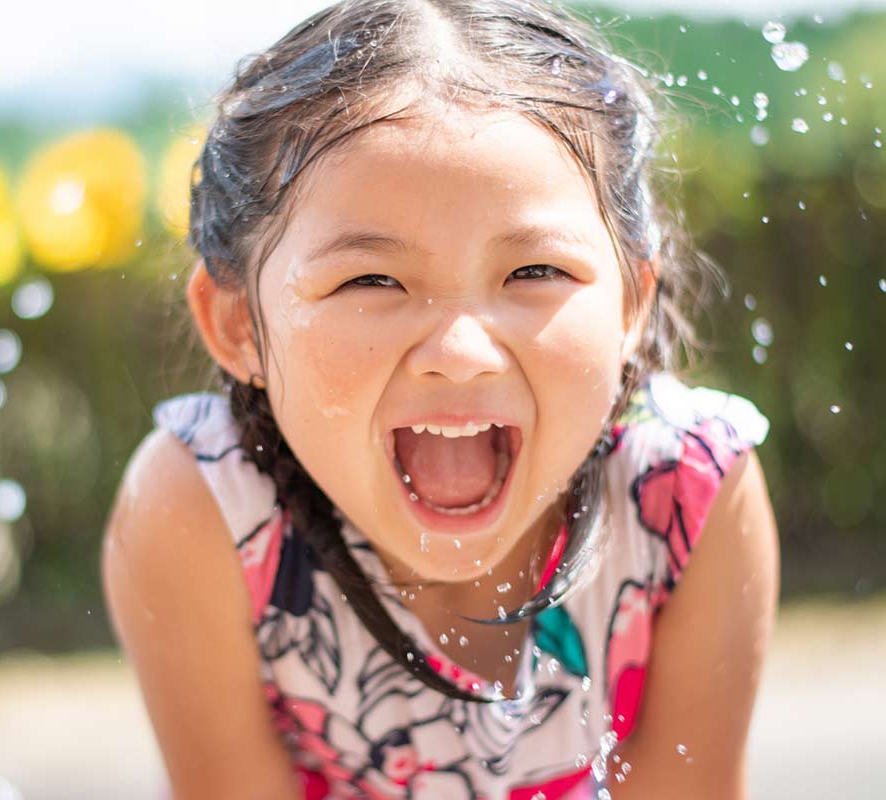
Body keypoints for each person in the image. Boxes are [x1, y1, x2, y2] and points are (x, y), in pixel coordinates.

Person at [103, 1, 778, 798]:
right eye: (371, 279)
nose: (461, 354)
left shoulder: (688, 497)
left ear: (632, 300)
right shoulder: (203, 513)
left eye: (534, 273)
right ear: (240, 323)